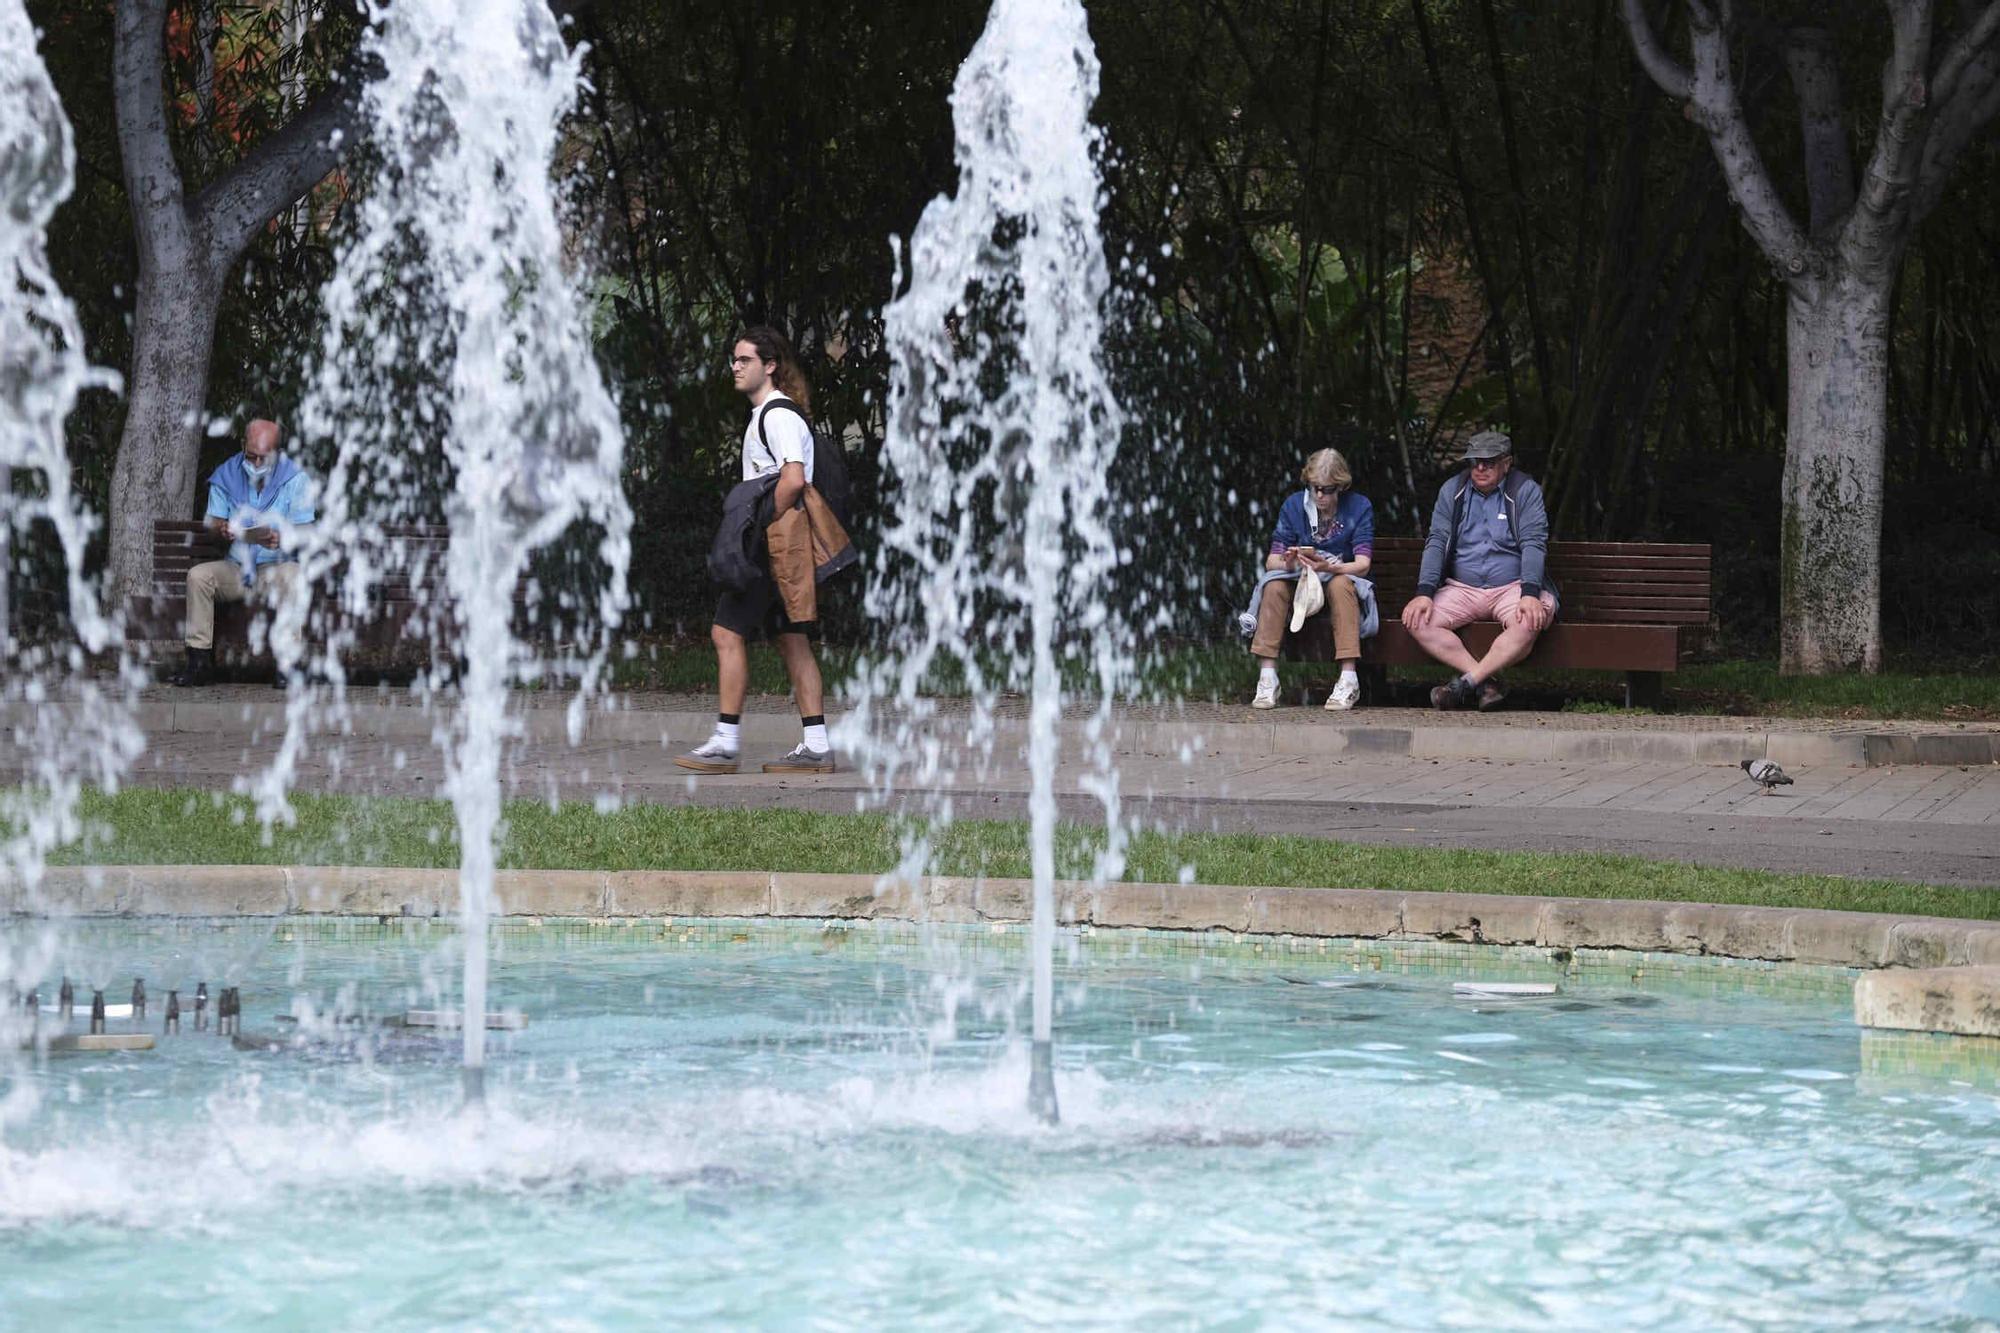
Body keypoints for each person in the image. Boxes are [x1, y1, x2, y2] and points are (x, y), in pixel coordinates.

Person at [676, 326, 846, 775]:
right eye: (734, 359)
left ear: (769, 366)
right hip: (781, 550)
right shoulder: (767, 416)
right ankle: (816, 746)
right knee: (793, 642)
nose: (736, 366)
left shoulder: (777, 416)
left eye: (745, 360)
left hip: (771, 547)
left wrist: (755, 527)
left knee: (725, 633)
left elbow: (793, 480)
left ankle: (726, 742)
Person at [1398, 430, 1555, 711]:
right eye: (1474, 462)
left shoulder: (1525, 490)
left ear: (1506, 463)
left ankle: (1464, 685)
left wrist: (1530, 592)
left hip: (1513, 586)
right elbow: (1436, 542)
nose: (1480, 468)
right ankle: (1485, 682)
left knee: (1530, 620)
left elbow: (1534, 542)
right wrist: (1424, 592)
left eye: (1489, 462)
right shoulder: (1452, 491)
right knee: (1417, 620)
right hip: (1462, 587)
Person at [168, 418, 314, 689]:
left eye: (264, 458)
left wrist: (283, 537)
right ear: (243, 446)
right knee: (198, 576)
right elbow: (211, 524)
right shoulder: (227, 474)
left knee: (294, 575)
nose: (256, 464)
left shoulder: (295, 479)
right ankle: (199, 663)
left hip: (275, 570)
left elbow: (307, 532)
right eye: (251, 457)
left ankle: (289, 665)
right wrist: (220, 529)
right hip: (237, 568)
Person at [1246, 448, 1375, 711]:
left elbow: (1362, 565)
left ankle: (1349, 679)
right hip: (1300, 585)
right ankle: (1267, 677)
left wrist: (1330, 566)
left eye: (1326, 489)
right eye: (1314, 487)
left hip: (1339, 581)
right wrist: (1290, 561)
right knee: (1273, 585)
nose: (1319, 495)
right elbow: (1271, 561)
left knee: (1341, 585)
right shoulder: (1294, 505)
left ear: (1340, 486)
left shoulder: (1359, 507)